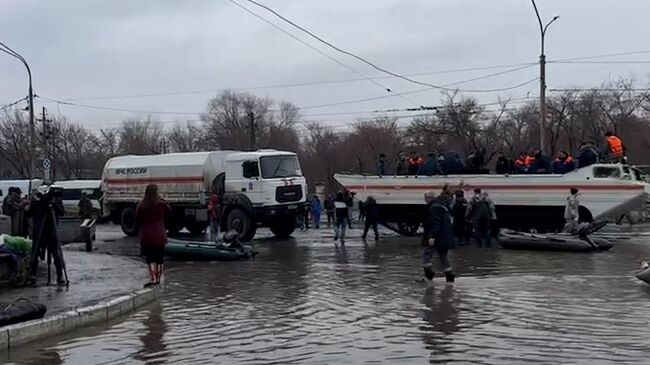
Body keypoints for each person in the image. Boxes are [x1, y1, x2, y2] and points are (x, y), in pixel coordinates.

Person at [27, 185, 66, 285]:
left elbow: (62, 212)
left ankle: (60, 275)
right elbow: (29, 214)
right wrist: (33, 204)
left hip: (51, 231)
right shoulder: (37, 202)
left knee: (56, 254)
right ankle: (32, 275)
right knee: (35, 253)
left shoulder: (55, 201)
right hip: (39, 231)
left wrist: (53, 205)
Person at [136, 184, 171, 287]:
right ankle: (158, 279)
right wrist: (163, 200)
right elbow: (169, 210)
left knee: (150, 258)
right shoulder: (160, 204)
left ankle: (153, 279)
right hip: (159, 235)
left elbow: (138, 218)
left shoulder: (141, 205)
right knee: (159, 258)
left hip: (147, 236)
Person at [422, 191, 455, 283]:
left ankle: (428, 274)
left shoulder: (434, 207)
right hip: (446, 236)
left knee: (427, 253)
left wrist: (432, 236)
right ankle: (450, 278)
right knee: (443, 256)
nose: (425, 201)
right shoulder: (442, 206)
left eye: (426, 198)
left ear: (429, 198)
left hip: (438, 236)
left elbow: (436, 222)